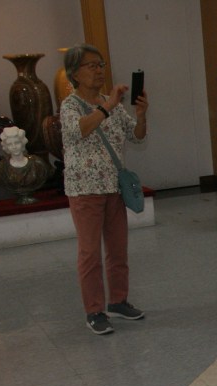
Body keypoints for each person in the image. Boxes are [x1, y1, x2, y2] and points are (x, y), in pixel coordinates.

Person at [60, 43, 148, 336]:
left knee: (118, 249)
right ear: (75, 73)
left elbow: (137, 137)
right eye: (92, 66)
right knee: (90, 253)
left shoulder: (111, 104)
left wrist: (141, 115)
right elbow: (79, 130)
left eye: (101, 65)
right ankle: (94, 311)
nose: (99, 71)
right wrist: (108, 105)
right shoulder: (71, 105)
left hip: (114, 187)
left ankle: (118, 301)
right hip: (85, 189)